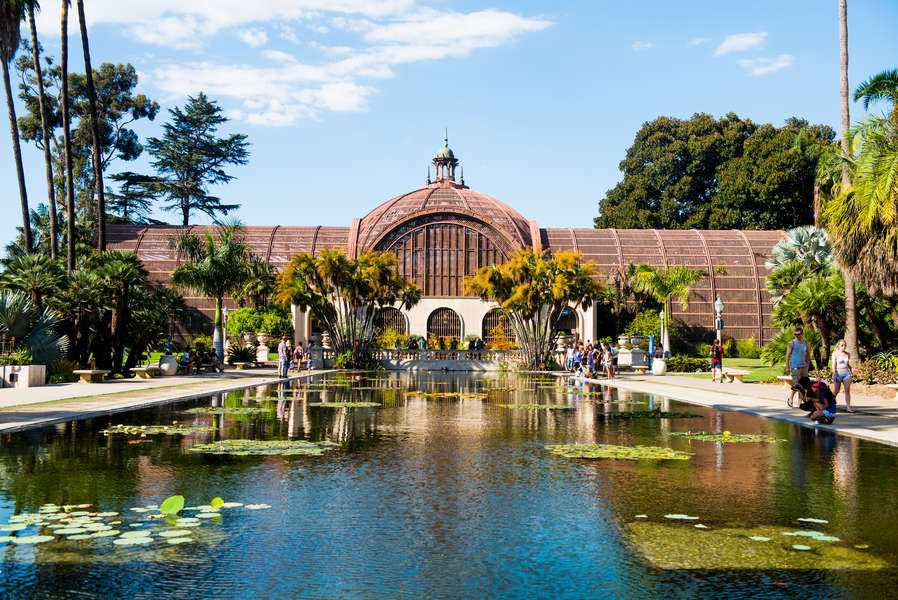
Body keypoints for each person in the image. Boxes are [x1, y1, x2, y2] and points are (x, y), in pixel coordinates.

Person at [785, 329, 810, 406]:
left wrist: (808, 364)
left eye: (798, 334)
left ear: (802, 334)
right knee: (797, 384)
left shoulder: (806, 342)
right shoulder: (792, 343)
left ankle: (799, 403)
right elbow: (787, 355)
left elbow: (808, 353)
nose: (797, 336)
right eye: (795, 334)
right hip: (795, 366)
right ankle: (791, 398)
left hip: (804, 366)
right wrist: (787, 367)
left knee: (803, 385)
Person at [831, 339, 854, 413]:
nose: (844, 347)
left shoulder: (847, 354)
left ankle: (848, 407)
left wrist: (851, 370)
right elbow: (833, 365)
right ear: (838, 345)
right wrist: (834, 374)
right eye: (842, 345)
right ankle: (829, 403)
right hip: (838, 373)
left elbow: (847, 364)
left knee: (847, 390)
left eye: (845, 345)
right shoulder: (835, 353)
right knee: (836, 391)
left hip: (846, 374)